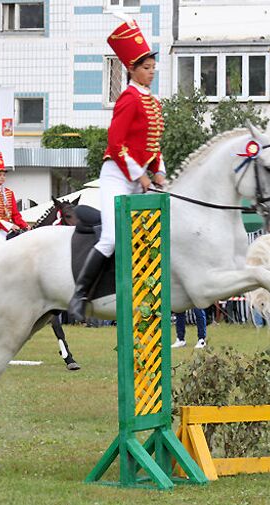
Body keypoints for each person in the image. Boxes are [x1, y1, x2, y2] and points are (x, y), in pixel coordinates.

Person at [68, 17, 166, 322]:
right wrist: (139, 174)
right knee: (111, 236)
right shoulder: (128, 98)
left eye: (152, 67)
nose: (151, 72)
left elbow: (153, 144)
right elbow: (117, 142)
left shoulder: (154, 102)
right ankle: (80, 294)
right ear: (132, 70)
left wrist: (159, 170)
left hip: (141, 179)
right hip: (117, 176)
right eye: (146, 68)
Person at [0, 147, 30, 242]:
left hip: (9, 230)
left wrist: (25, 226)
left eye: (4, 175)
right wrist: (10, 225)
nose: (2, 177)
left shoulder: (9, 192)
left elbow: (15, 214)